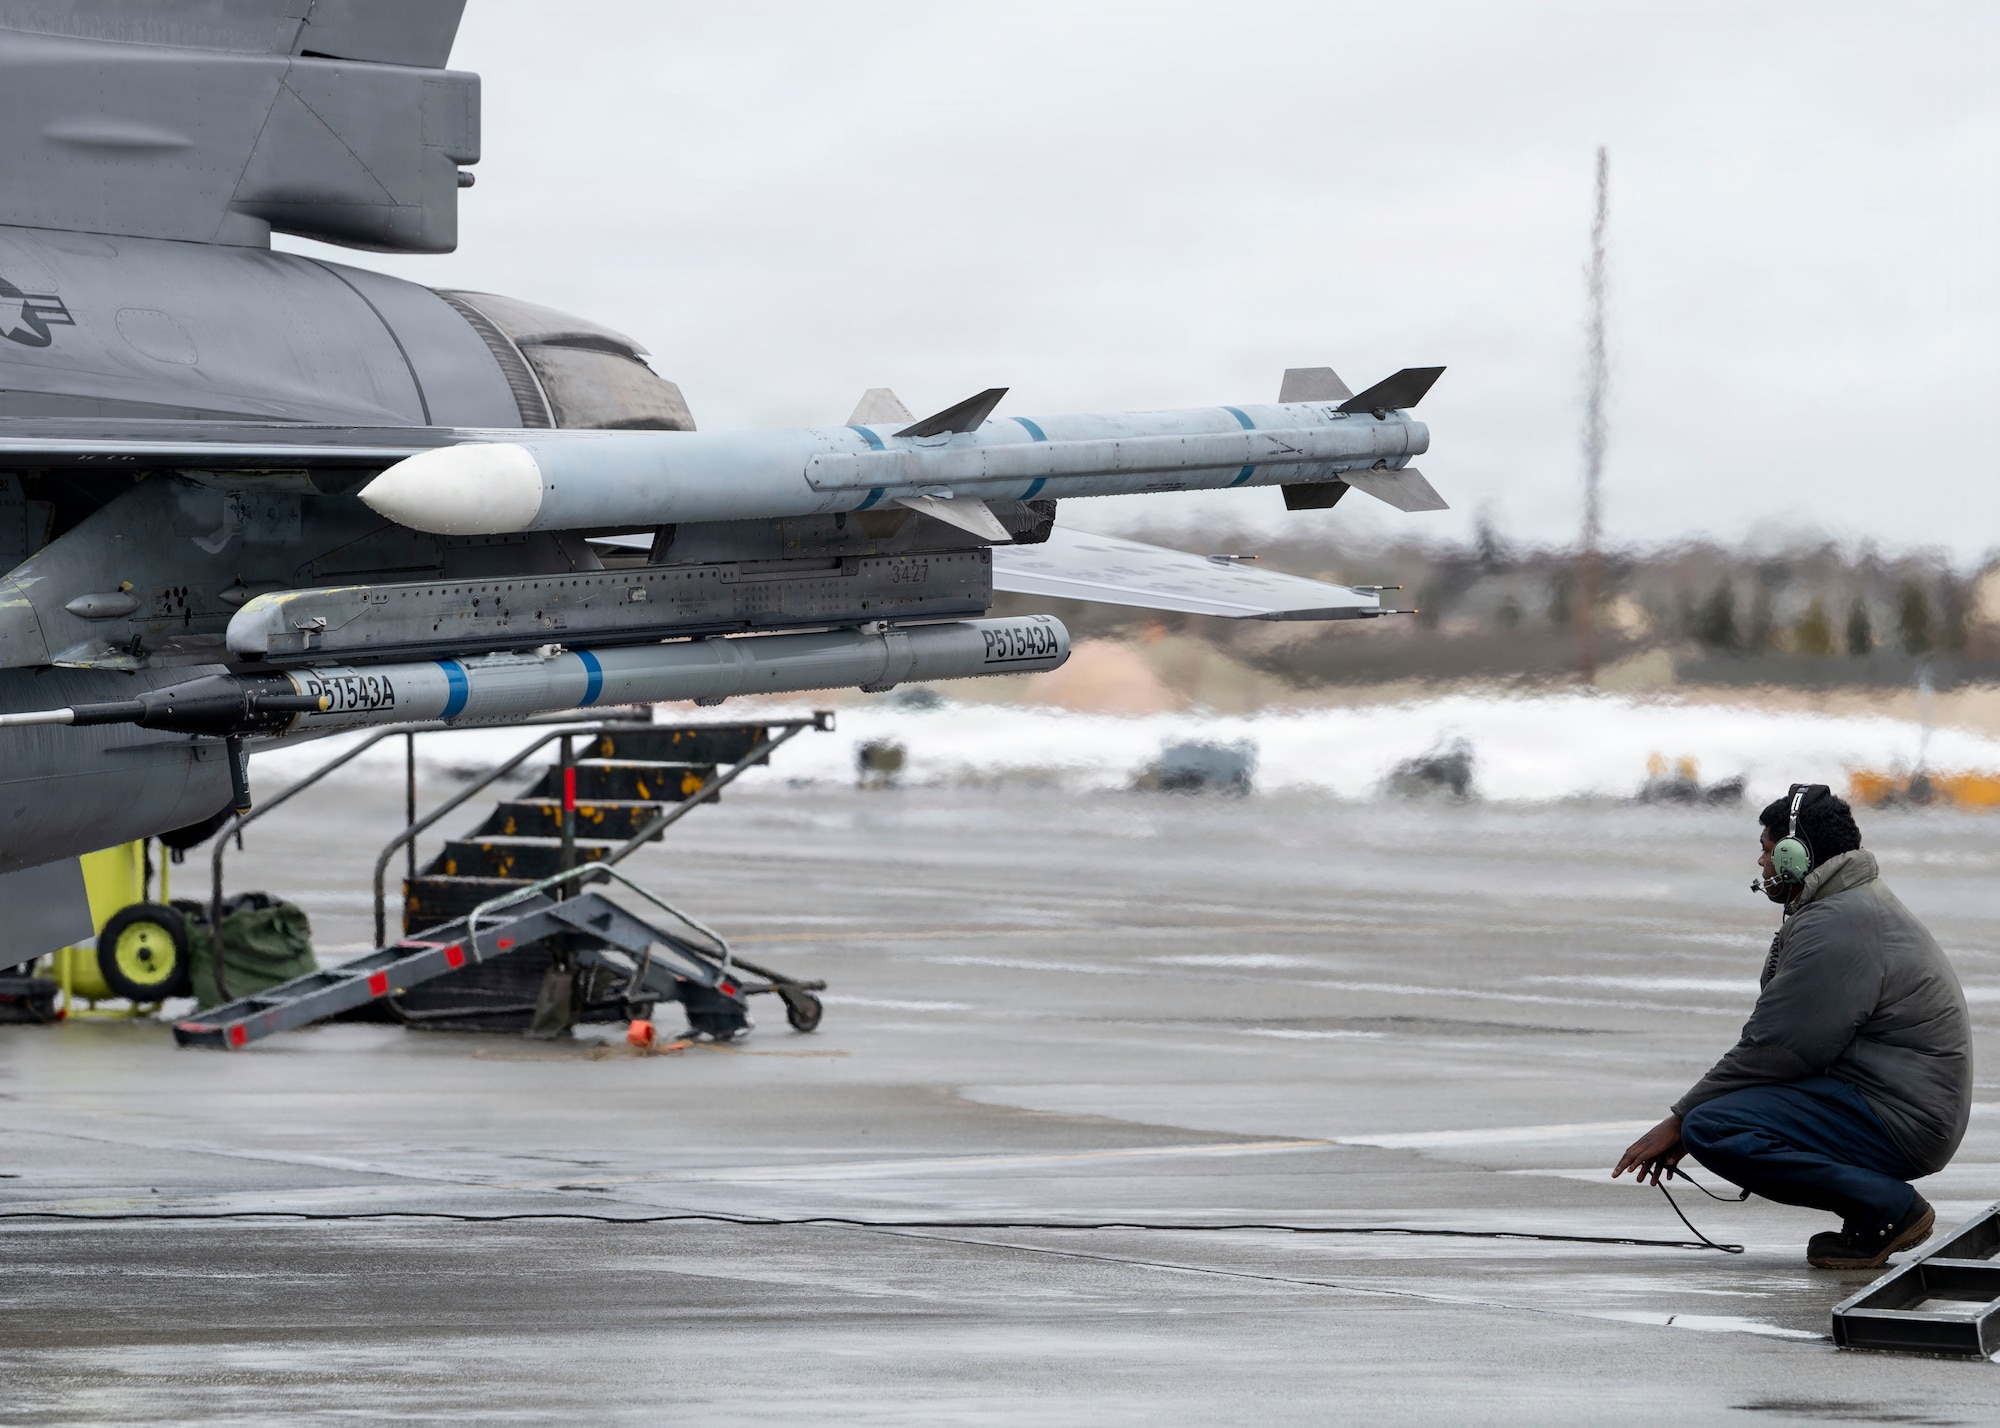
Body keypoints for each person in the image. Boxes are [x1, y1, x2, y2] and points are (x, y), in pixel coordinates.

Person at [1613, 783, 1971, 1270]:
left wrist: (1679, 1119)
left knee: (1715, 1127)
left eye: (1765, 852)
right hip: (1893, 1102)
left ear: (1794, 855)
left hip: (1900, 1118)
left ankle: (1888, 1209)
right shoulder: (1844, 906)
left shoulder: (1840, 924)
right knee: (1721, 1112)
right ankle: (1871, 1213)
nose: (1761, 865)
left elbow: (1778, 1049)